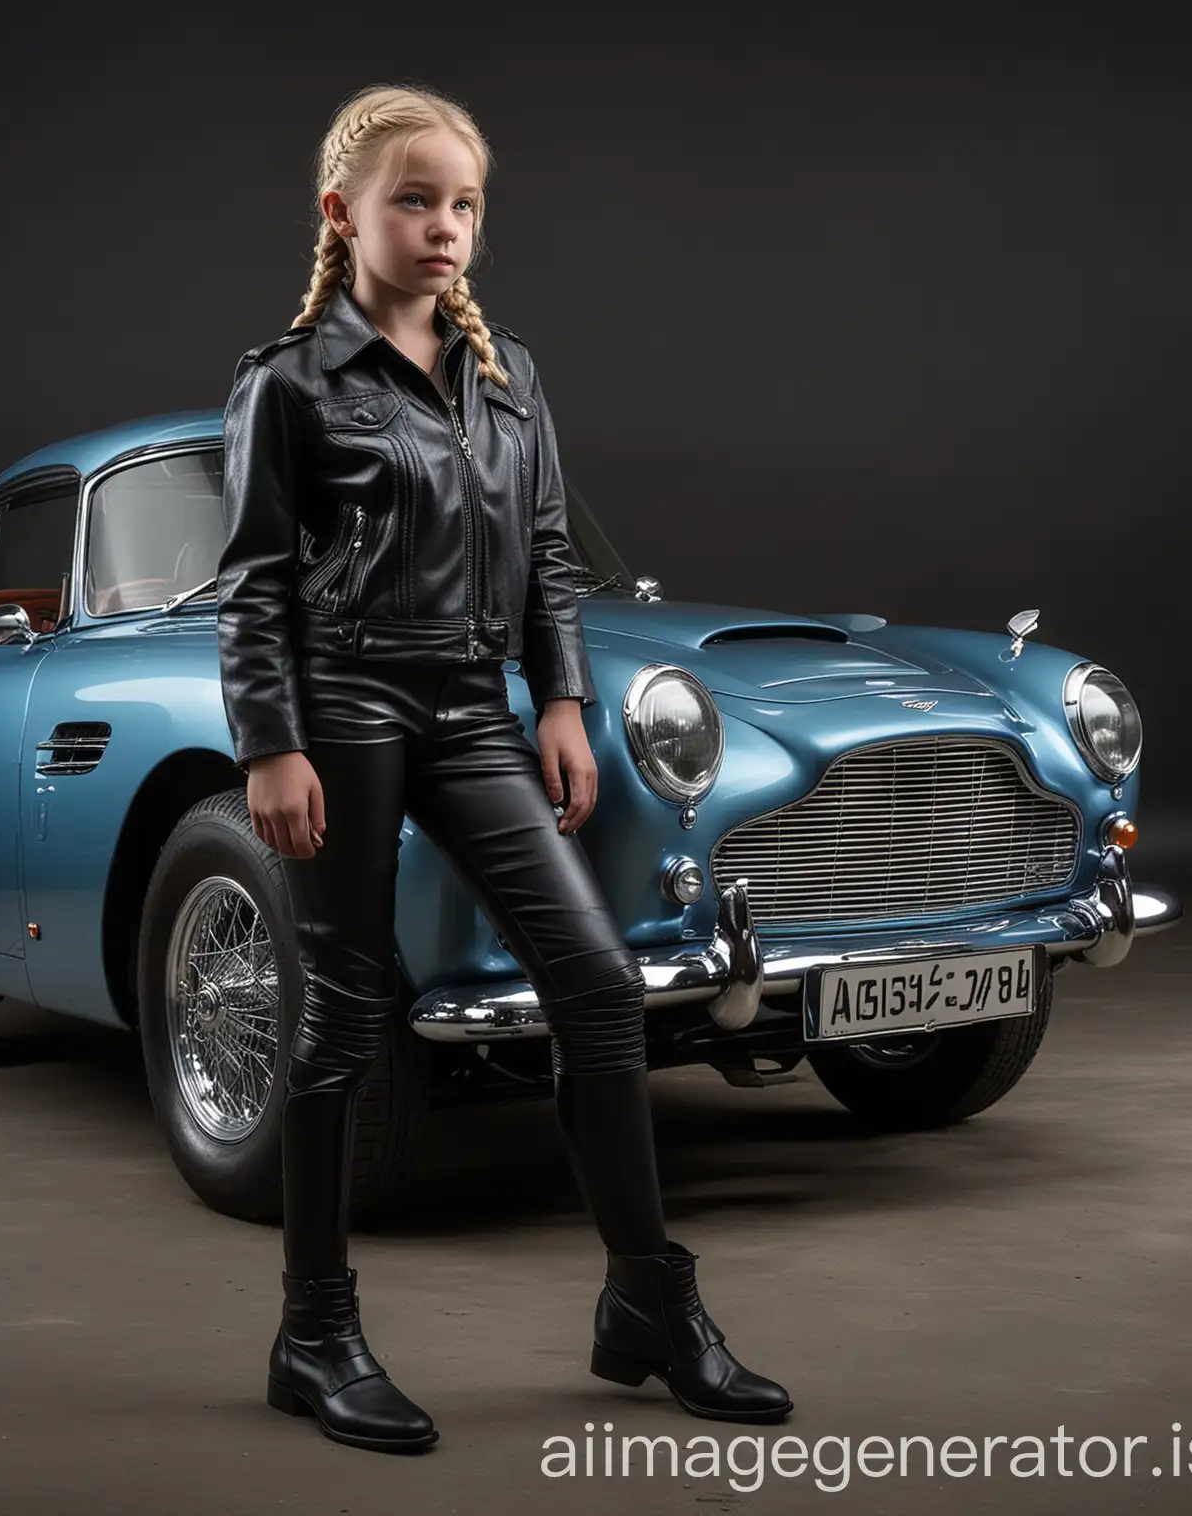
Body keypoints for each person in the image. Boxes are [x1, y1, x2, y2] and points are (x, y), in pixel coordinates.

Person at [217, 82, 793, 1455]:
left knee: (595, 985)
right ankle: (314, 1333)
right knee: (346, 1020)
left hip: (476, 708)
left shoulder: (510, 375)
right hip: (345, 702)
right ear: (341, 211)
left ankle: (649, 1304)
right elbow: (249, 585)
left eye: (464, 203)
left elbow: (544, 556)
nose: (444, 227)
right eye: (415, 199)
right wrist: (272, 741)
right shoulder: (287, 383)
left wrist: (564, 701)